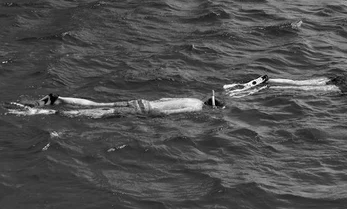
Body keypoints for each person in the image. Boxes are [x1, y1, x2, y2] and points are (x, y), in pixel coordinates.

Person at [224, 67, 347, 98]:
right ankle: (268, 86)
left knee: (300, 83)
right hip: (340, 87)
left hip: (337, 79)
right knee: (302, 91)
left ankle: (271, 79)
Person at [6, 91, 223, 118]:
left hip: (142, 100)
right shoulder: (196, 108)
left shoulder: (193, 98)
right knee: (96, 114)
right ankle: (42, 112)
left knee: (95, 104)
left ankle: (57, 98)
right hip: (145, 110)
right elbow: (168, 112)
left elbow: (165, 99)